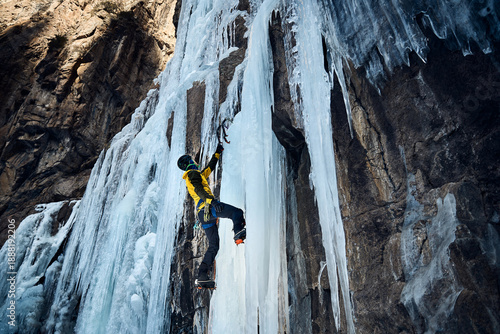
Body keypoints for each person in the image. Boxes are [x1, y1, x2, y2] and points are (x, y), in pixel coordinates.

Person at [177, 144, 246, 288]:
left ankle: (202, 275)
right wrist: (213, 202)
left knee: (214, 245)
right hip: (208, 208)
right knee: (236, 213)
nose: (195, 162)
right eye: (192, 160)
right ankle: (238, 234)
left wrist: (217, 153)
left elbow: (210, 167)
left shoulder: (197, 175)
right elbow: (199, 189)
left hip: (203, 216)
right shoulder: (192, 174)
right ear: (189, 162)